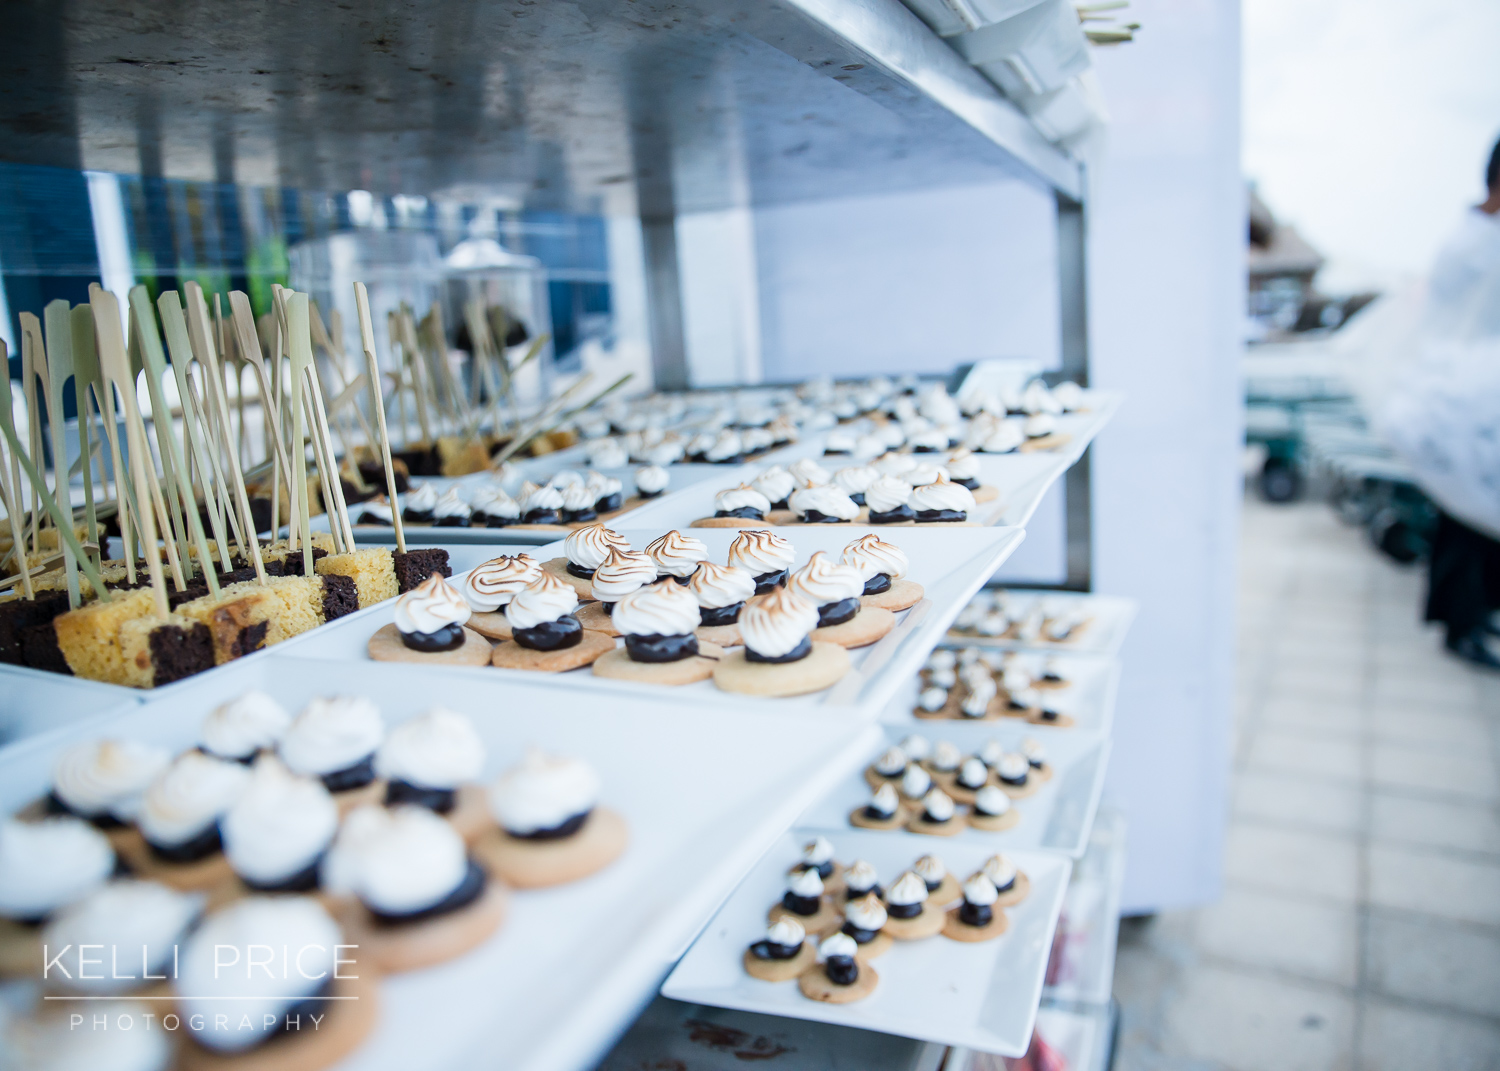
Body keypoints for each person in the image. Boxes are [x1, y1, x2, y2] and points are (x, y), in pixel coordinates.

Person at [1418, 136, 1500, 668]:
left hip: (1474, 403)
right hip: (1463, 405)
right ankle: (1461, 622)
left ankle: (1472, 613)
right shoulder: (1473, 244)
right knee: (1467, 523)